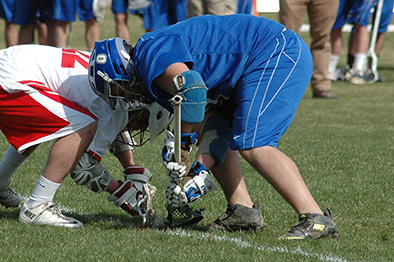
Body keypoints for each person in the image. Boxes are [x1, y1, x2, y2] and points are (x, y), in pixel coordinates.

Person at [89, 15, 339, 239]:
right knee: (220, 131)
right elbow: (215, 129)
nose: (121, 98)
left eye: (118, 89)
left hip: (273, 52)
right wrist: (196, 172)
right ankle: (242, 210)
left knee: (254, 144)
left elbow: (193, 88)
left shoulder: (147, 55)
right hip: (251, 63)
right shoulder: (157, 73)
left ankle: (316, 219)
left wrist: (181, 144)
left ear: (123, 70)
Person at [0, 44, 166, 227]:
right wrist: (120, 190)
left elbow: (115, 128)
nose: (139, 129)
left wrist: (129, 167)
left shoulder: (116, 81)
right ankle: (37, 207)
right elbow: (83, 167)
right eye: (142, 123)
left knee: (49, 126)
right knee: (82, 128)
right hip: (0, 80)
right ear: (143, 108)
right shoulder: (115, 104)